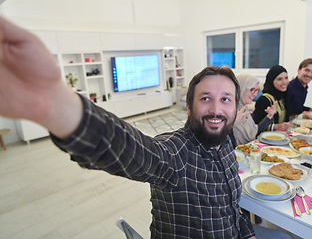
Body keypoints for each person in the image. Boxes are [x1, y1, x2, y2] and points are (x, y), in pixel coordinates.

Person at [0, 17, 292, 239]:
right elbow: (133, 151)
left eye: (225, 99)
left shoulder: (226, 143)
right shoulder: (175, 155)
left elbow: (231, 206)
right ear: (189, 108)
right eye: (205, 98)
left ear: (235, 108)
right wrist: (55, 104)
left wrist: (248, 233)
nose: (216, 109)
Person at [229, 74, 277, 146]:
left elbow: (255, 131)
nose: (255, 94)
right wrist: (231, 123)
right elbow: (222, 142)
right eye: (252, 90)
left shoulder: (244, 108)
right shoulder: (230, 110)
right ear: (241, 89)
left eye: (257, 90)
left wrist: (269, 116)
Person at [253, 65, 293, 131]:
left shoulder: (285, 95)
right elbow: (256, 126)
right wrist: (275, 126)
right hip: (266, 138)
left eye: (286, 78)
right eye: (279, 79)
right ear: (272, 81)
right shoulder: (264, 100)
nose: (284, 82)